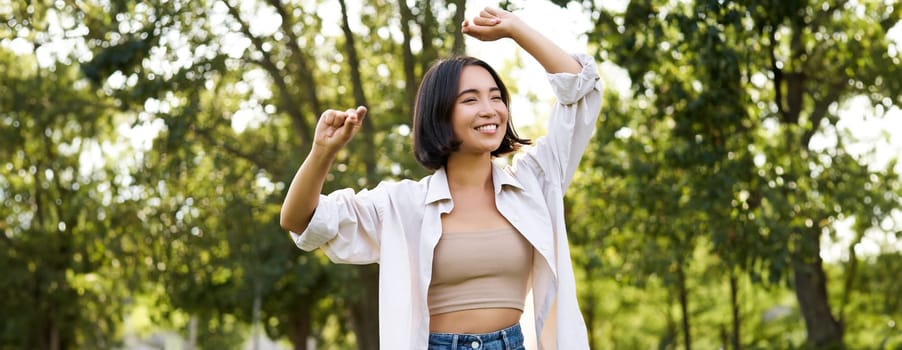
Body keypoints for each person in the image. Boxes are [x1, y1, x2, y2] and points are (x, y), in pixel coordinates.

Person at [280, 7, 603, 350]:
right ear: (441, 115)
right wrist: (322, 152)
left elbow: (581, 89)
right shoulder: (401, 206)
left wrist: (515, 29)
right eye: (470, 100)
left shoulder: (534, 183)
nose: (489, 109)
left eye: (496, 97)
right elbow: (301, 220)